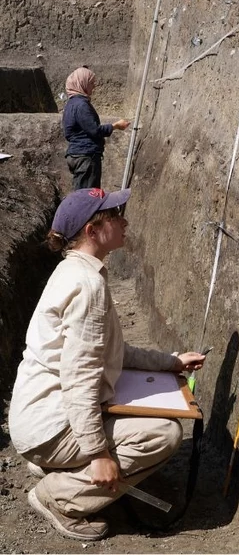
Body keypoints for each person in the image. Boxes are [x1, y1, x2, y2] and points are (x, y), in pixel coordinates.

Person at [7, 187, 206, 541]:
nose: (124, 221)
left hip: (38, 417)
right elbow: (80, 378)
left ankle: (56, 462)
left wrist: (171, 362)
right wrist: (98, 453)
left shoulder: (76, 272)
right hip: (50, 426)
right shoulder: (87, 287)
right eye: (114, 216)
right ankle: (60, 497)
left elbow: (111, 350)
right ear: (92, 230)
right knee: (163, 434)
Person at [62, 67, 130, 190]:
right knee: (88, 198)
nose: (94, 87)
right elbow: (95, 130)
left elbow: (68, 132)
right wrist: (115, 126)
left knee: (81, 195)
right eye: (91, 83)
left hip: (76, 155)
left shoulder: (70, 104)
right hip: (86, 156)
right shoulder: (81, 105)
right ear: (82, 83)